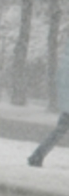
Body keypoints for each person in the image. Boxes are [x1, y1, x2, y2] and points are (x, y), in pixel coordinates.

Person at [28, 38, 69, 167]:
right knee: (59, 132)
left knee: (58, 132)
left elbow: (61, 83)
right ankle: (37, 156)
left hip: (66, 104)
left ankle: (37, 155)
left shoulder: (65, 62)